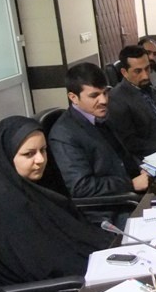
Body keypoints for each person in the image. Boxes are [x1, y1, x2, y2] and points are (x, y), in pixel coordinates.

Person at [0, 116, 113, 287]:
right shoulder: (6, 204)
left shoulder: (38, 184)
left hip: (80, 272)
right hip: (57, 290)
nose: (40, 160)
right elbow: (43, 267)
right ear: (5, 156)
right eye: (29, 154)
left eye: (43, 150)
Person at [49, 63, 150, 199]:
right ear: (73, 98)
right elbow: (81, 187)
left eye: (105, 93)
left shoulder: (101, 115)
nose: (103, 100)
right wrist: (130, 184)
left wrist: (142, 169)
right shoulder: (64, 134)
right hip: (114, 204)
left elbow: (121, 156)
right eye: (94, 95)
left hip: (133, 190)